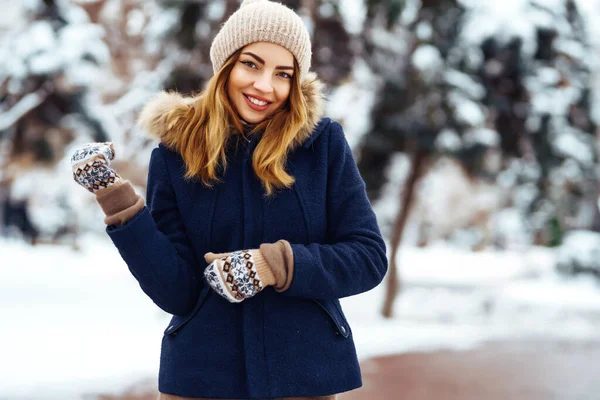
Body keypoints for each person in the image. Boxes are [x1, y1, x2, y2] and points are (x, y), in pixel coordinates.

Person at [70, 0, 387, 399]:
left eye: (283, 74)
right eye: (251, 64)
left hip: (304, 376)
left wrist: (275, 265)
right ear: (225, 66)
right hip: (203, 379)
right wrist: (115, 200)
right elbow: (175, 292)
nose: (264, 86)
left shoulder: (321, 146)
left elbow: (367, 257)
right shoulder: (174, 154)